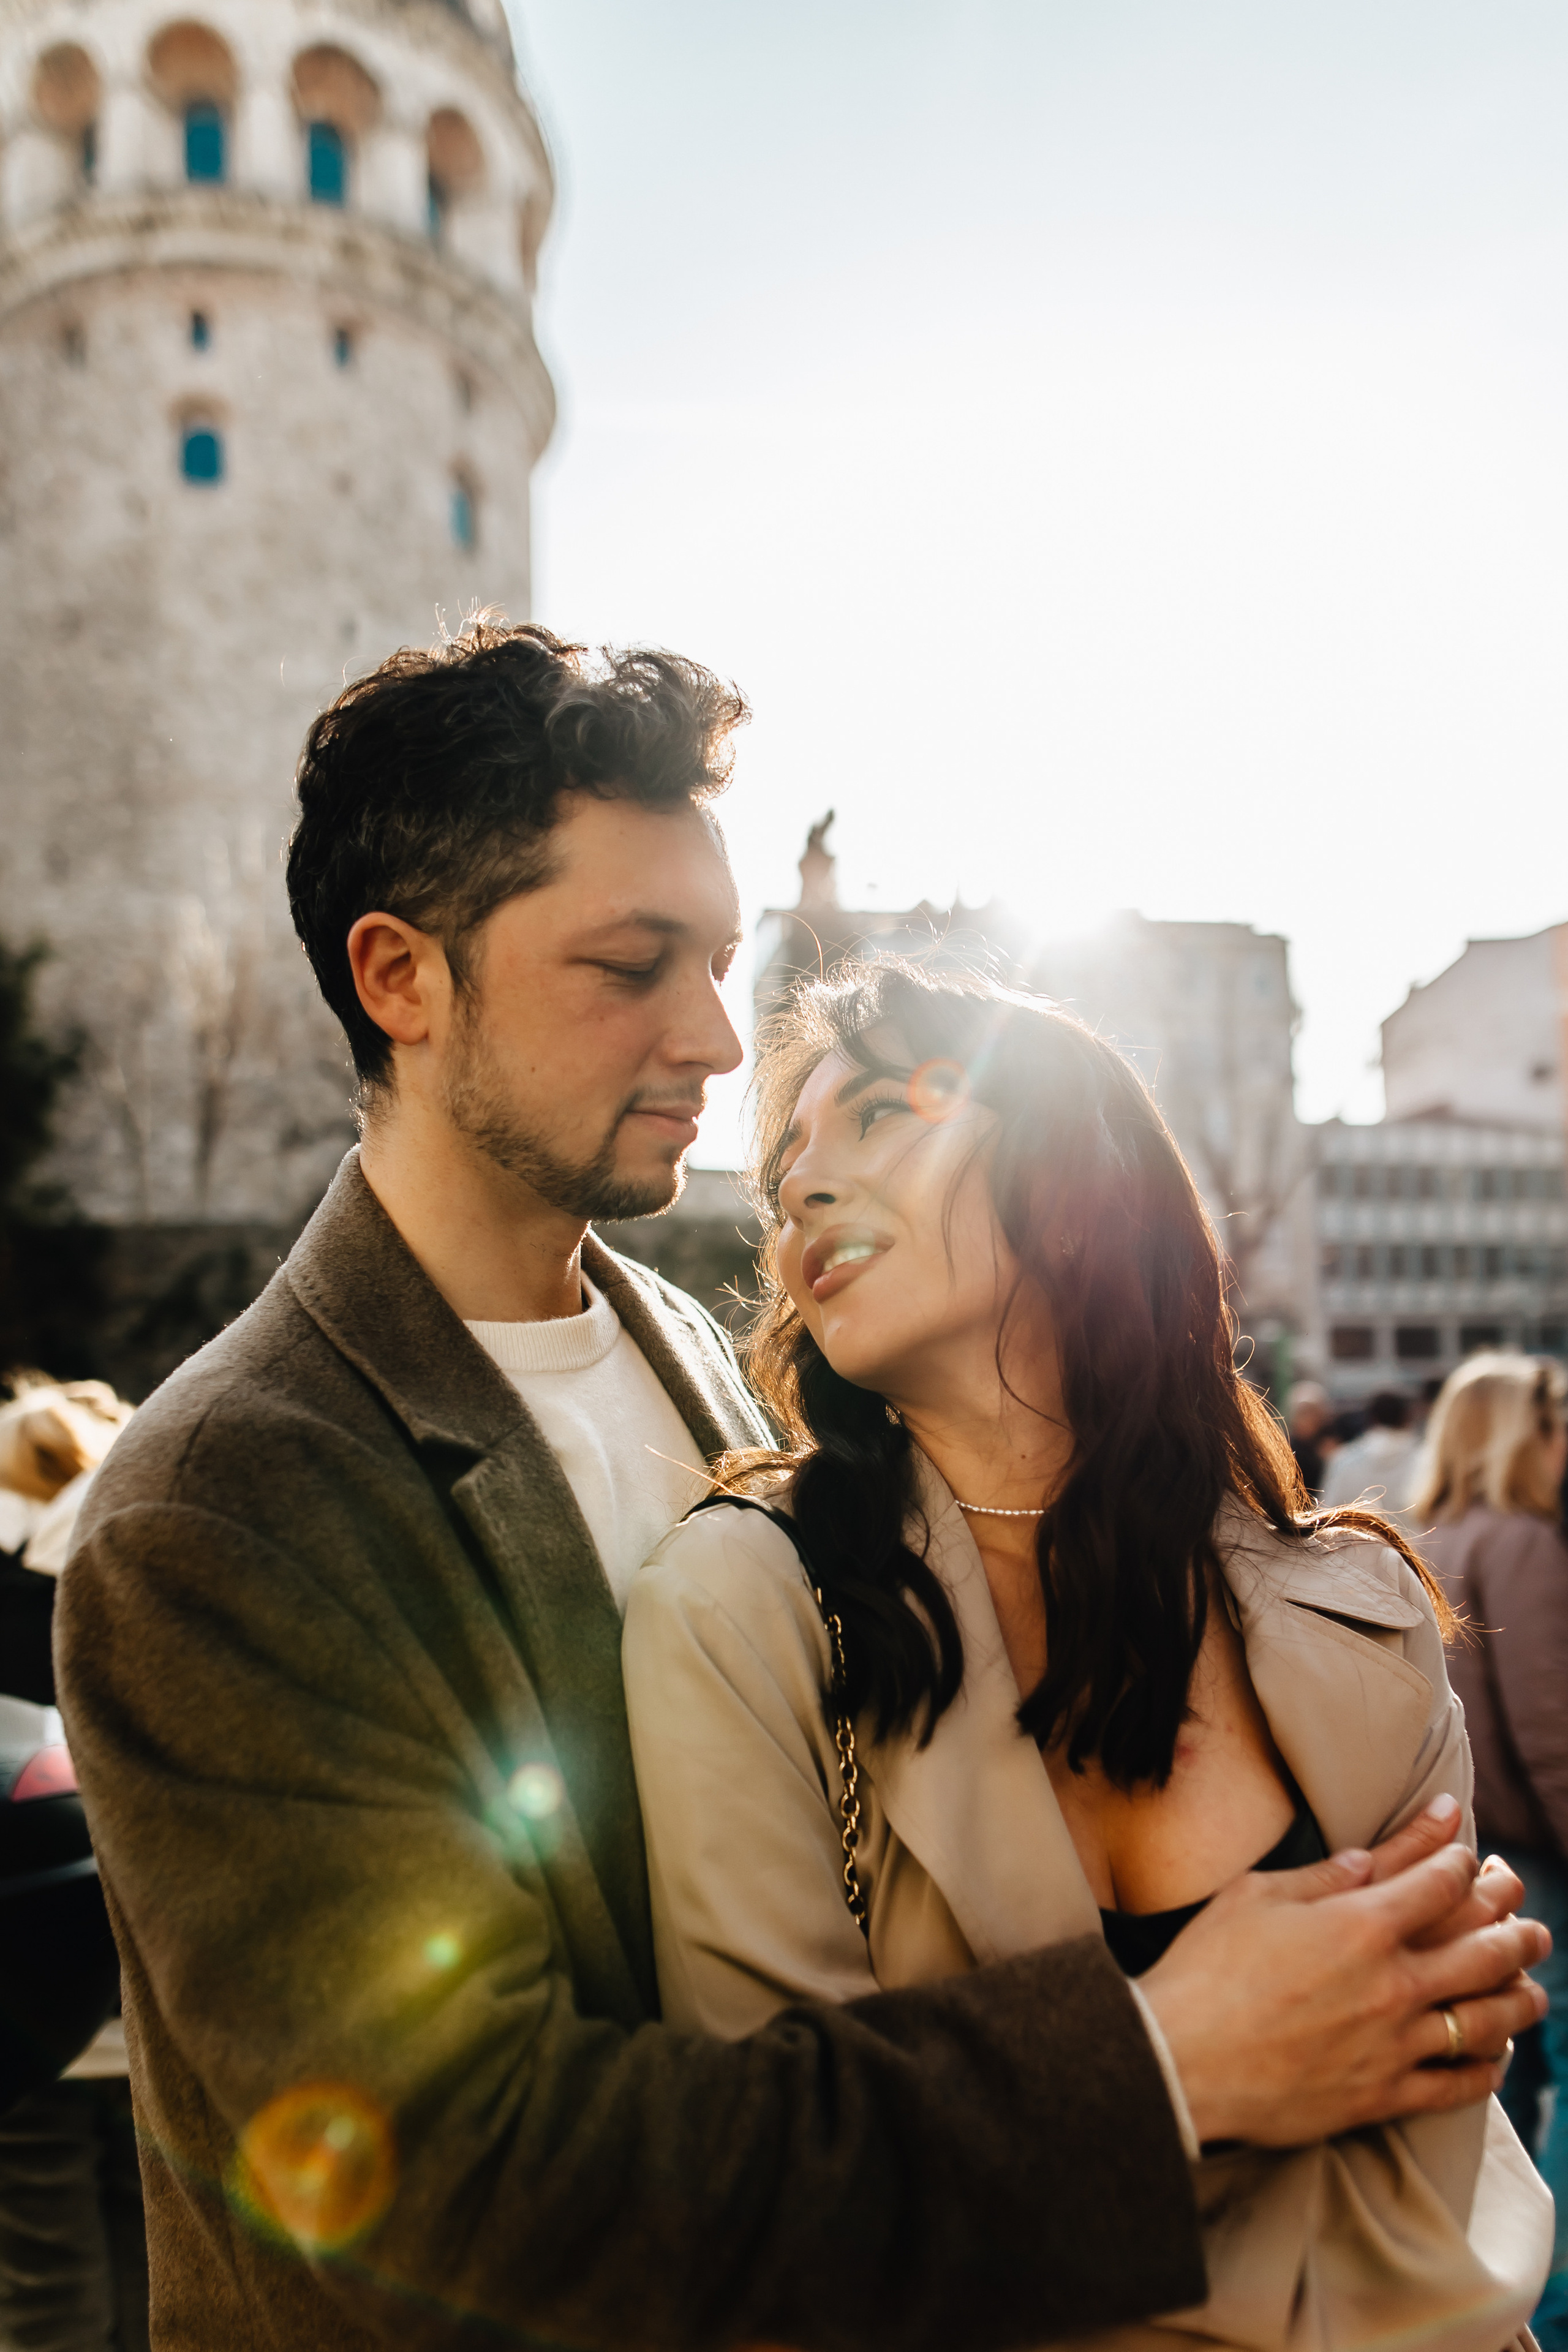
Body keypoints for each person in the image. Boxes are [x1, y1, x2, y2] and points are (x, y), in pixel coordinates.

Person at [55, 622, 1547, 2352]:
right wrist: (1166, 2062)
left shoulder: (710, 1359)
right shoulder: (219, 1504)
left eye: (721, 956)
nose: (712, 1032)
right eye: (633, 965)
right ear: (401, 978)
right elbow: (456, 2186)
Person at [625, 959, 1552, 2352]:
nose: (804, 1188)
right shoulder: (738, 1604)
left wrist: (1045, 2144)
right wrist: (1188, 2060)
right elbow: (785, 2192)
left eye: (878, 1115)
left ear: (1071, 1190)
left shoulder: (1354, 1602)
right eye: (785, 1172)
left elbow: (1430, 2151)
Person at [1417, 1354, 1568, 2352]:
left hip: (1471, 1853)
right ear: (1524, 1434)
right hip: (1545, 1858)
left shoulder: (1433, 1538)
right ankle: (1554, 2315)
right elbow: (1554, 1732)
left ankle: (1490, 2309)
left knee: (1493, 2103)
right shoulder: (1522, 1544)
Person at [0, 1376, 143, 2351]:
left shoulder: (14, 1592)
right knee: (163, 2252)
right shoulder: (151, 1553)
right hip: (153, 1990)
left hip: (27, 1984)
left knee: (43, 2280)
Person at [1319, 1385, 1420, 1521]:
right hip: (1410, 1542)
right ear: (1406, 1418)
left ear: (1371, 1418)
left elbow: (1326, 1513)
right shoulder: (1423, 1458)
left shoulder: (1344, 1459)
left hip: (1354, 1541)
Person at [1285, 1377, 1331, 1495]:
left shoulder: (1328, 1446)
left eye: (1314, 1412)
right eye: (1303, 1413)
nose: (1309, 1418)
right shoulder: (1285, 1449)